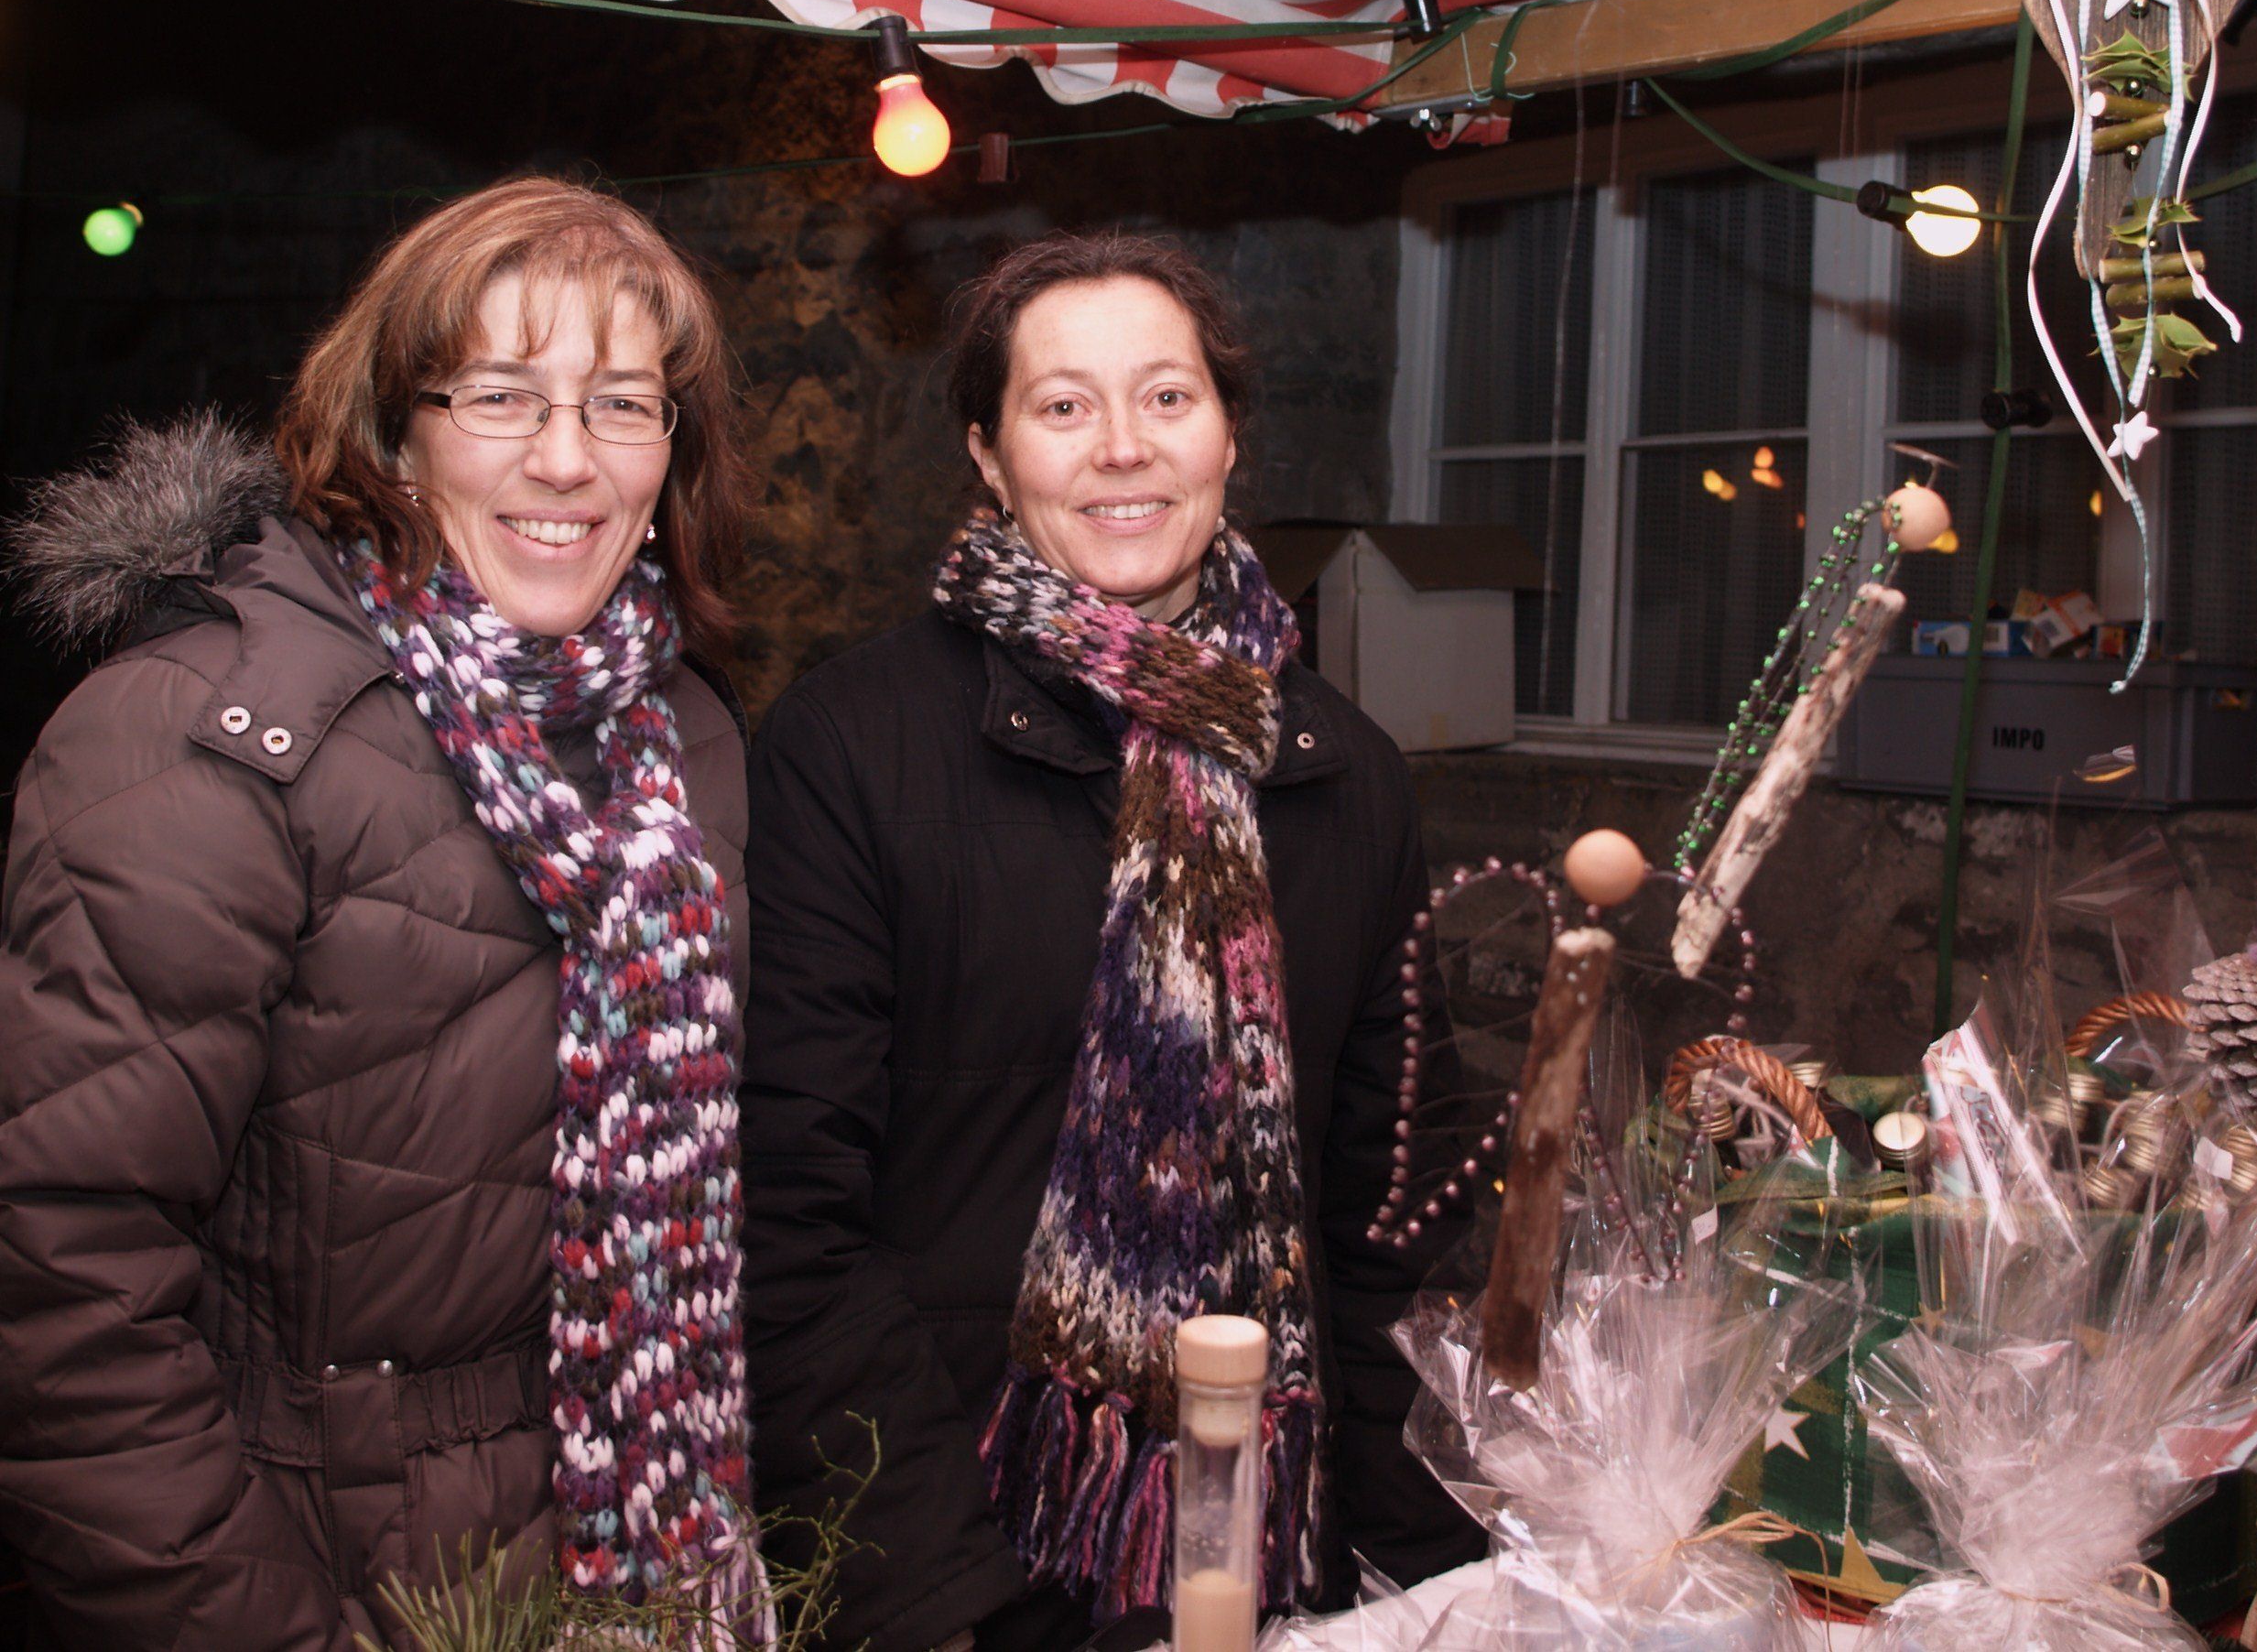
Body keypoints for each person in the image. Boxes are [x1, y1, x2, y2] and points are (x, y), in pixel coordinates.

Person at [0, 178, 765, 1648]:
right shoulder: (199, 738)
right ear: (393, 434)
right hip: (317, 1572)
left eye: (622, 405)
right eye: (500, 395)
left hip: (627, 1567)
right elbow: (59, 1287)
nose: (567, 459)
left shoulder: (680, 741)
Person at [743, 230, 1480, 1652]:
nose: (1123, 448)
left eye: (1167, 397)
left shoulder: (1346, 774)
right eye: (1063, 405)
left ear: (1228, 436)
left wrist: (1427, 1573)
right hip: (962, 1558)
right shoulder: (852, 748)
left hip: (1278, 1557)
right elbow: (787, 1215)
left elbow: (1395, 1216)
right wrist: (940, 1599)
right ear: (989, 453)